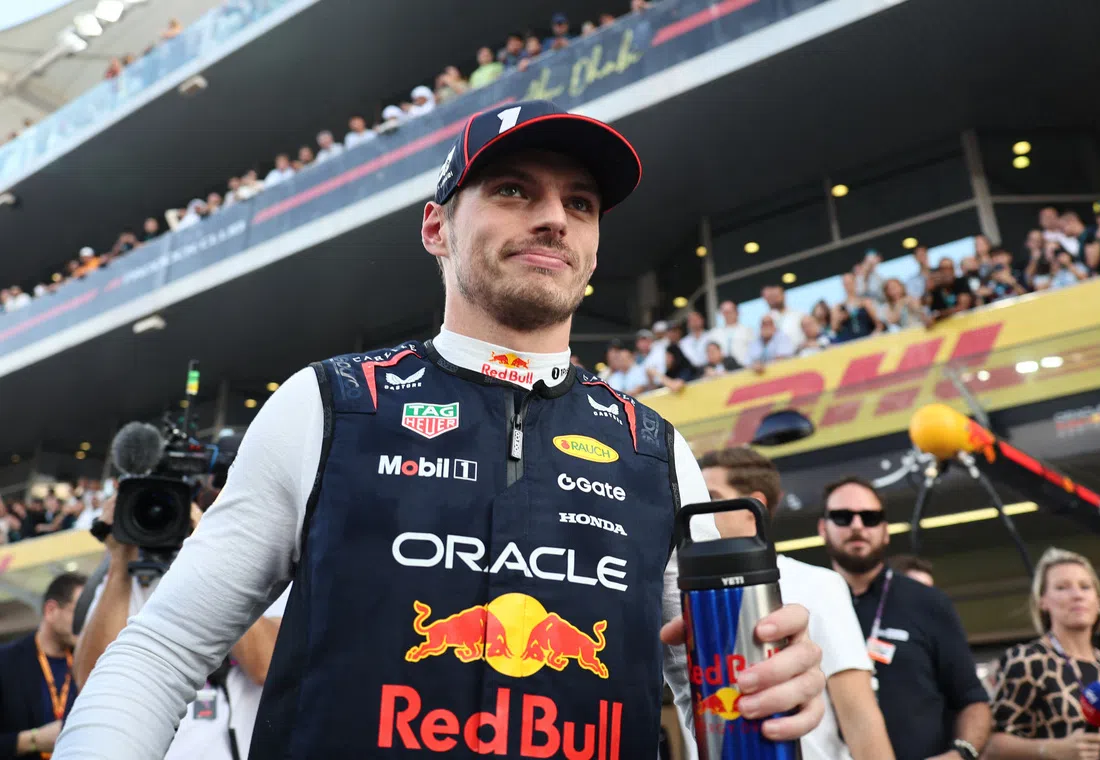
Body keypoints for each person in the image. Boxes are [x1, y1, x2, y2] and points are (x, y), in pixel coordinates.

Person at [55, 100, 825, 759]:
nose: (554, 218)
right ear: (436, 227)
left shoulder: (655, 449)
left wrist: (774, 697)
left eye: (580, 204)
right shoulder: (328, 403)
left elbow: (714, 694)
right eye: (514, 190)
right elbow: (160, 652)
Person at [699, 448, 895, 760]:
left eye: (711, 497)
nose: (697, 510)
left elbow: (859, 715)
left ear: (754, 506)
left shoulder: (817, 583)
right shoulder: (683, 594)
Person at [72, 496, 290, 760]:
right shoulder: (121, 585)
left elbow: (265, 666)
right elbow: (92, 685)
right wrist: (119, 558)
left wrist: (209, 548)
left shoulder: (263, 573)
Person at [819, 476, 991, 760]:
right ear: (823, 528)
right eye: (842, 517)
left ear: (885, 530)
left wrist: (961, 754)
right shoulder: (805, 601)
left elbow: (972, 701)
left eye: (870, 517)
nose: (857, 526)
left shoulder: (927, 601)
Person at [987, 547, 1100, 760]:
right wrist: (1050, 749)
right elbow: (989, 745)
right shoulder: (1029, 661)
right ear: (1043, 602)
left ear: (1099, 602)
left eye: (1085, 587)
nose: (1077, 595)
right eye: (1062, 588)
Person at [0, 572, 86, 758]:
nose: (86, 622)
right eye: (80, 612)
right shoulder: (6, 661)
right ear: (51, 610)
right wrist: (33, 740)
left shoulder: (91, 662)